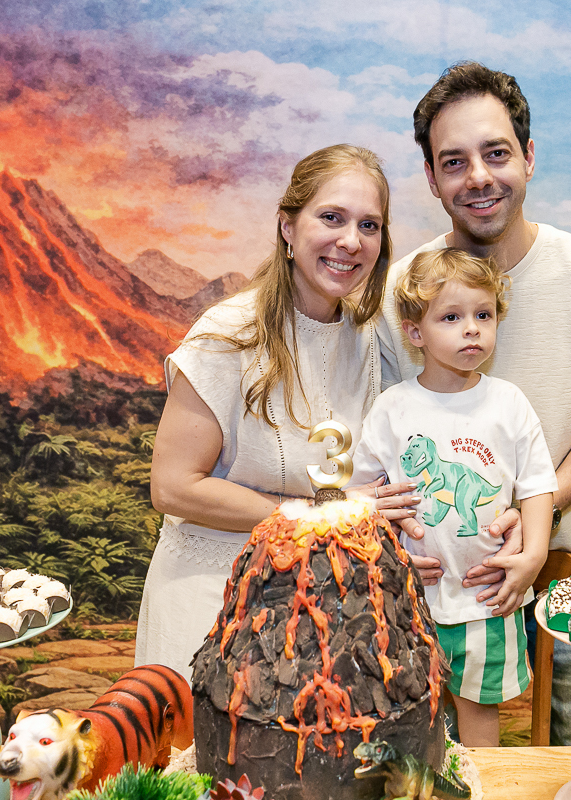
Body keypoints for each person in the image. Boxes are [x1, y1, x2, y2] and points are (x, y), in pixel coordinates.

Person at [377, 62, 571, 746]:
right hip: (439, 584)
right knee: (441, 763)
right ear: (433, 179)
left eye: (496, 153)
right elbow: (386, 441)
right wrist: (392, 539)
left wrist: (534, 521)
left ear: (528, 158)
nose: (478, 176)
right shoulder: (400, 290)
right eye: (454, 161)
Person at [135, 144, 417, 679]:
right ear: (288, 226)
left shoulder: (370, 340)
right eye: (331, 217)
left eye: (369, 225)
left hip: (321, 610)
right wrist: (320, 513)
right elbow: (173, 487)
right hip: (213, 604)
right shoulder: (228, 337)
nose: (350, 241)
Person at [350, 247, 558, 747]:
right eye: (452, 317)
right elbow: (363, 497)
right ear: (415, 332)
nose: (472, 328)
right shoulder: (393, 408)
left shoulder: (508, 402)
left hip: (487, 598)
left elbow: (536, 484)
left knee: (480, 722)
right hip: (406, 600)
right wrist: (389, 554)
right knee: (404, 720)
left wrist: (534, 555)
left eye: (483, 315)